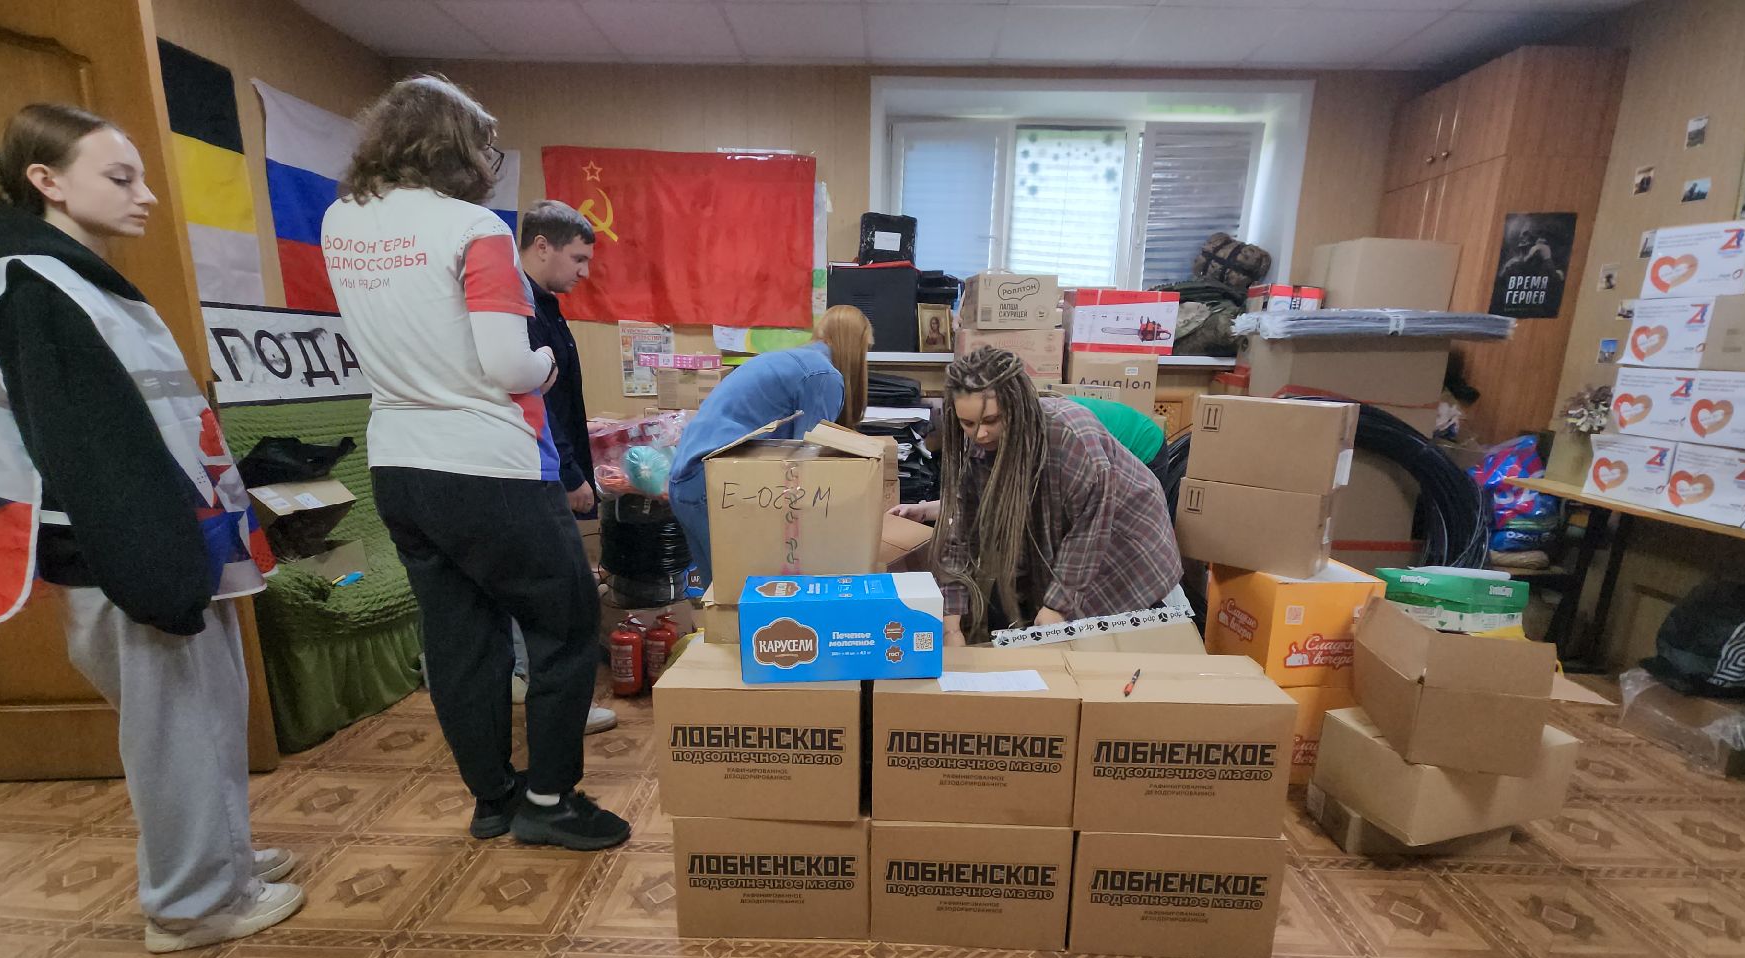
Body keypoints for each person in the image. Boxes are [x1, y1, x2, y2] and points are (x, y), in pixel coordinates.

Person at [0, 103, 302, 951]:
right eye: (120, 177)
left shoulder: (66, 275)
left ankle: (221, 859)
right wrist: (157, 575)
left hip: (169, 534)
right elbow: (91, 449)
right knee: (174, 731)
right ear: (47, 181)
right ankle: (192, 904)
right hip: (128, 547)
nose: (145, 195)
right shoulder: (31, 284)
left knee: (207, 713)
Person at [322, 75, 626, 851]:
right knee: (566, 624)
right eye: (486, 146)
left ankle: (493, 799)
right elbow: (506, 365)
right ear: (455, 147)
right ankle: (550, 800)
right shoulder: (473, 227)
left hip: (398, 464)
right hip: (487, 465)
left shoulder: (341, 221)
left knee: (461, 638)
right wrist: (545, 366)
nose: (492, 162)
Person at [930, 346, 1181, 643]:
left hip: (1125, 530)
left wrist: (1056, 607)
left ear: (1017, 407)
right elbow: (961, 533)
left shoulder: (1070, 437)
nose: (980, 434)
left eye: (991, 420)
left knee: (1100, 631)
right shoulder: (976, 445)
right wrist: (951, 623)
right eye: (968, 423)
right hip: (1079, 517)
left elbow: (1088, 532)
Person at [667, 305, 871, 585]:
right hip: (715, 484)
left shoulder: (791, 360)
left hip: (686, 480)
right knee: (746, 597)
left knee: (721, 596)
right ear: (856, 345)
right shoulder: (823, 376)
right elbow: (807, 465)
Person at [514, 199, 615, 735]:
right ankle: (561, 711)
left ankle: (545, 695)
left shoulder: (545, 305)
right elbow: (539, 406)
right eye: (578, 259)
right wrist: (571, 473)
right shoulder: (522, 311)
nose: (584, 272)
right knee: (564, 598)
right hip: (540, 473)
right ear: (541, 246)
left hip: (550, 466)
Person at [890, 392, 1163, 525]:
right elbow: (980, 497)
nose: (980, 434)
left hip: (1139, 445)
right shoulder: (985, 434)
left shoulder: (1043, 436)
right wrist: (924, 510)